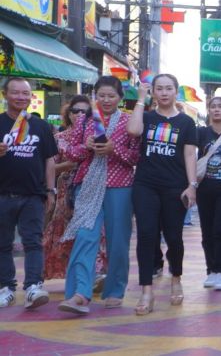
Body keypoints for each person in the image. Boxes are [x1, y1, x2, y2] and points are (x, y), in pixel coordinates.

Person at [58, 76, 140, 314]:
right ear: (95, 96)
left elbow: (135, 158)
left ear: (120, 98)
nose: (106, 100)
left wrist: (115, 149)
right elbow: (72, 154)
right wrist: (87, 146)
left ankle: (115, 290)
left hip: (120, 186)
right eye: (101, 95)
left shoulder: (128, 121)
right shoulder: (84, 121)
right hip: (88, 186)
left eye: (111, 96)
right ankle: (80, 294)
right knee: (85, 236)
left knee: (117, 241)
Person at [127, 74, 198, 316]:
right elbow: (133, 131)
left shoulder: (187, 123)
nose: (164, 93)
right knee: (146, 235)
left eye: (169, 88)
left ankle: (175, 277)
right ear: (153, 92)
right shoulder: (146, 117)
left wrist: (192, 185)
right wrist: (140, 99)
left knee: (174, 237)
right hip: (145, 185)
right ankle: (146, 290)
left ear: (176, 91)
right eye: (159, 89)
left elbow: (190, 155)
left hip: (175, 187)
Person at [0, 78, 57, 310]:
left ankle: (33, 287)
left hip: (34, 194)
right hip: (2, 194)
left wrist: (51, 190)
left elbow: (50, 160)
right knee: (2, 244)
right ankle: (6, 288)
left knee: (33, 242)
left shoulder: (41, 126)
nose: (21, 97)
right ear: (5, 95)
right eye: (16, 93)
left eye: (26, 93)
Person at [43, 96, 106, 285]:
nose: (79, 114)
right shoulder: (58, 138)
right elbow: (50, 166)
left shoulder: (98, 135)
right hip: (67, 191)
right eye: (75, 110)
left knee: (93, 232)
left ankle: (94, 274)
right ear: (68, 114)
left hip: (93, 189)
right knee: (66, 233)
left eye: (84, 111)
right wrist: (73, 162)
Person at [197, 97, 221, 291]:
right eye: (213, 107)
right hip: (204, 188)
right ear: (208, 110)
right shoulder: (201, 132)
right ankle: (210, 269)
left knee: (220, 229)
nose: (217, 110)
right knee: (206, 230)